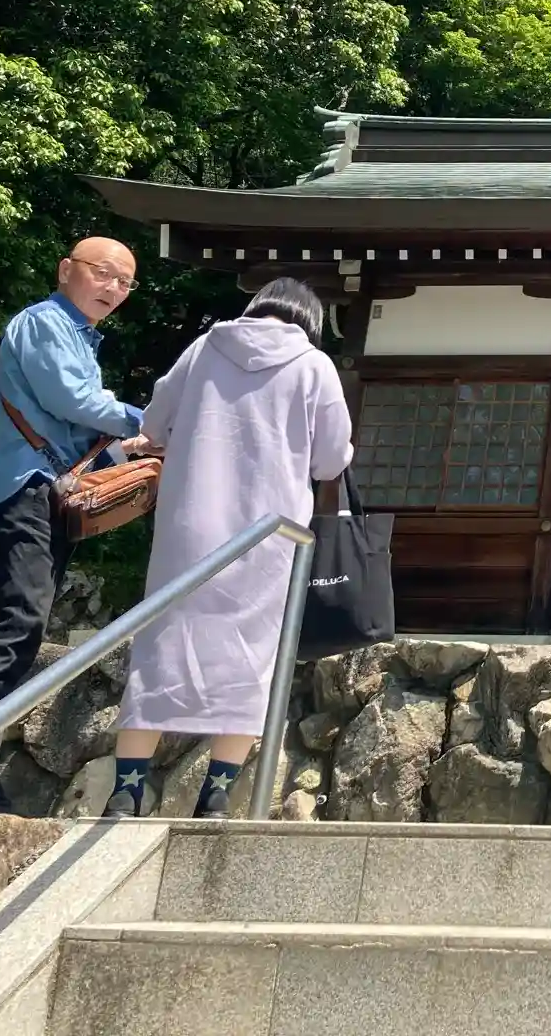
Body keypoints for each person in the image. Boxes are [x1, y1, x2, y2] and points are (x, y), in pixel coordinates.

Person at [104, 279, 353, 818]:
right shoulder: (315, 366)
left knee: (161, 649)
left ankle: (126, 790)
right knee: (250, 659)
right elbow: (331, 460)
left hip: (189, 528)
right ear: (309, 320)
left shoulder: (203, 348)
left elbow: (154, 422)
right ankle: (215, 794)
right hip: (268, 535)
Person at [0, 238, 150, 811]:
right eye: (104, 273)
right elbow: (74, 401)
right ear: (65, 270)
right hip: (24, 487)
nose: (114, 289)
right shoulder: (44, 323)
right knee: (19, 621)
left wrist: (133, 445)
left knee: (23, 626)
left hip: (46, 492)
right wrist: (148, 420)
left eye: (125, 282)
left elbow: (79, 429)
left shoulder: (81, 338)